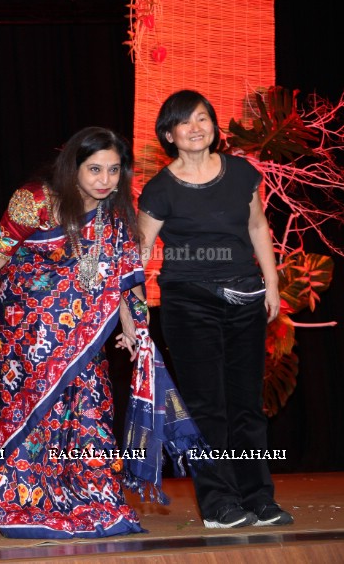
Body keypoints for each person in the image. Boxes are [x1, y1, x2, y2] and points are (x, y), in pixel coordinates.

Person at [0, 127, 205, 539]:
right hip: (25, 331)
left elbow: (125, 281)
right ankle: (28, 506)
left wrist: (135, 331)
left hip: (84, 334)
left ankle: (96, 502)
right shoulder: (34, 200)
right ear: (72, 166)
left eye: (113, 170)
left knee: (88, 414)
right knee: (35, 418)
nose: (104, 180)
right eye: (94, 169)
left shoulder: (116, 214)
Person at [138, 90, 292, 529]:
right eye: (184, 122)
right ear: (169, 134)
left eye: (202, 118)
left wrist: (272, 284)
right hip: (189, 302)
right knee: (208, 406)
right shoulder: (160, 189)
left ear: (213, 125)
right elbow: (142, 251)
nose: (196, 128)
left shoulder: (242, 173)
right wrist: (128, 307)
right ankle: (219, 503)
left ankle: (259, 498)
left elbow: (258, 227)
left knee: (247, 405)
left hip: (245, 296)